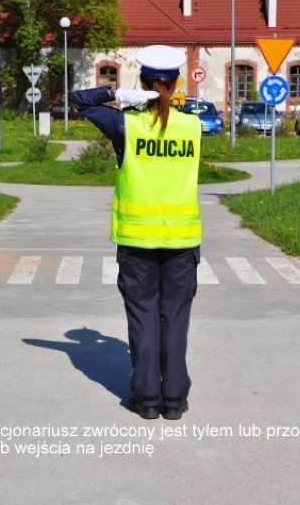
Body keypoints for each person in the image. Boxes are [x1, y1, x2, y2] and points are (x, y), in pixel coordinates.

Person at [71, 45, 202, 421]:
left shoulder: (124, 124)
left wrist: (115, 93)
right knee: (174, 320)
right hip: (181, 242)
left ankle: (145, 400)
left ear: (142, 84)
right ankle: (174, 400)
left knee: (143, 318)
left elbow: (79, 101)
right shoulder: (192, 126)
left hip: (136, 242)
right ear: (176, 83)